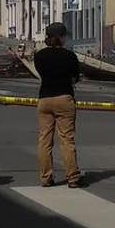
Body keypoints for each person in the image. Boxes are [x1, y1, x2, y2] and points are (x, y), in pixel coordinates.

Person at [34, 22, 83, 188]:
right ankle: (73, 177)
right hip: (64, 98)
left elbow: (41, 74)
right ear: (61, 38)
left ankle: (46, 178)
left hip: (45, 99)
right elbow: (75, 77)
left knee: (44, 140)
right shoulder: (70, 56)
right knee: (66, 139)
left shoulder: (39, 56)